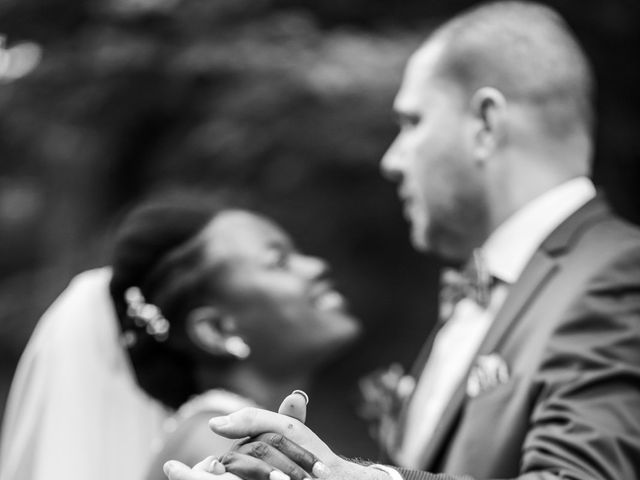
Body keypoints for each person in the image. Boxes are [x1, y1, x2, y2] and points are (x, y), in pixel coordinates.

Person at [161, 2, 640, 480]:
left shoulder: (621, 272)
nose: (392, 160)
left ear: (486, 123)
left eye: (413, 123)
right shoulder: (485, 295)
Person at [0, 192, 360, 480]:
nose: (316, 266)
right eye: (278, 261)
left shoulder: (212, 435)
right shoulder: (224, 448)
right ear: (216, 330)